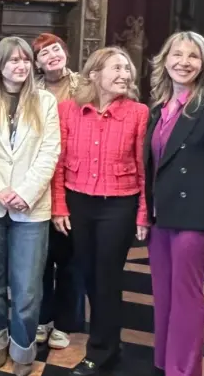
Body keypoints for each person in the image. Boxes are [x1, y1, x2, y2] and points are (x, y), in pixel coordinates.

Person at [50, 47, 149, 376]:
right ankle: (110, 340)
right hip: (78, 202)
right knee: (88, 274)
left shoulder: (138, 113)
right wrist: (59, 205)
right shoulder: (67, 111)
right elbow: (59, 164)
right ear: (94, 74)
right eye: (116, 68)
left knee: (106, 277)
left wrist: (141, 214)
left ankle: (101, 351)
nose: (125, 74)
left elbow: (144, 169)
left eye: (127, 69)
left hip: (119, 205)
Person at [0, 36, 60, 376]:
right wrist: (0, 190)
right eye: (12, 60)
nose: (19, 66)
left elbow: (50, 151)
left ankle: (22, 349)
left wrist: (25, 192)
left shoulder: (45, 102)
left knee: (28, 282)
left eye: (24, 60)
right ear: (0, 66)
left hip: (31, 207)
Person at [145, 32, 204, 376]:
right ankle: (163, 362)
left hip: (194, 219)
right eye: (176, 54)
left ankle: (183, 370)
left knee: (187, 298)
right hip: (160, 216)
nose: (183, 62)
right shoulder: (158, 109)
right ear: (164, 60)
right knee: (163, 296)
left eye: (193, 56)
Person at [32, 33, 85, 350]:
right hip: (41, 178)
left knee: (70, 258)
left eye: (56, 49)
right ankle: (41, 317)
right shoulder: (32, 89)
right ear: (37, 62)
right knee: (40, 258)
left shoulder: (85, 86)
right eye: (44, 53)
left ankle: (65, 323)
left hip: (75, 178)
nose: (52, 55)